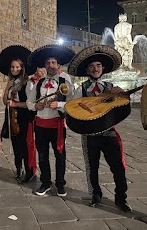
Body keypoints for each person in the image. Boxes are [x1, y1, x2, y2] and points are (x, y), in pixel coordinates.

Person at [68, 45, 132, 212]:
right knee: (91, 167)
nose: (95, 69)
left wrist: (122, 94)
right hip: (90, 135)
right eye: (91, 66)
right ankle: (95, 194)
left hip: (109, 133)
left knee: (117, 166)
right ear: (87, 70)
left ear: (102, 68)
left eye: (98, 66)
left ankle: (121, 197)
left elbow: (122, 108)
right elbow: (71, 108)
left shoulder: (111, 88)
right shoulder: (81, 89)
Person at [27, 44, 75, 196]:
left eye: (54, 62)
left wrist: (59, 104)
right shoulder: (39, 83)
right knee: (42, 156)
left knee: (60, 156)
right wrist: (36, 106)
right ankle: (45, 183)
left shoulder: (64, 80)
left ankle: (60, 184)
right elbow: (29, 102)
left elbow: (72, 103)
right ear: (45, 65)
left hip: (57, 125)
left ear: (59, 65)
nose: (51, 65)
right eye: (48, 63)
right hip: (40, 125)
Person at [0, 45, 37, 184]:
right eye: (12, 67)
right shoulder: (11, 82)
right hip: (12, 117)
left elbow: (30, 103)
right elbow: (4, 101)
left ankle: (30, 172)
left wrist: (15, 104)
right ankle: (19, 168)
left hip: (24, 117)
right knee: (16, 145)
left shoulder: (27, 83)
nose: (15, 69)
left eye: (17, 67)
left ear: (22, 68)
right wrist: (7, 87)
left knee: (25, 145)